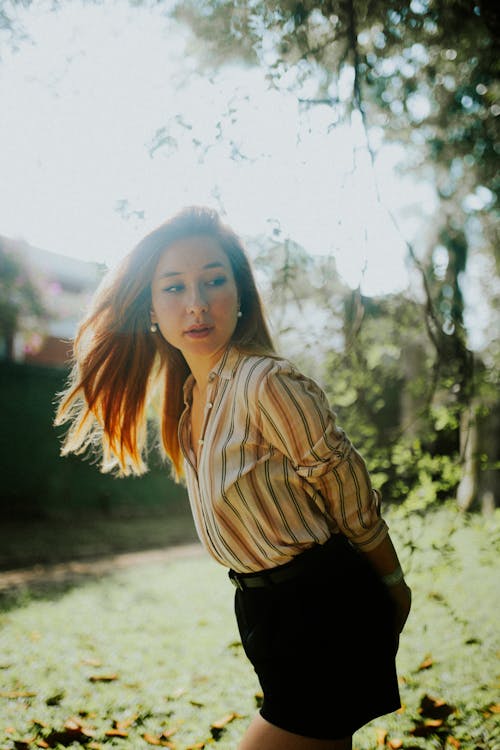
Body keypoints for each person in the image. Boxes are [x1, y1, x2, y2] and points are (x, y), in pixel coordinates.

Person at [55, 206, 411, 750]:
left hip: (319, 606)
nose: (196, 303)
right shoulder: (191, 402)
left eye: (214, 281)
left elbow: (348, 490)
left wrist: (391, 584)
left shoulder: (265, 382)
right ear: (151, 308)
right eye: (174, 287)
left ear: (239, 294)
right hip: (264, 611)